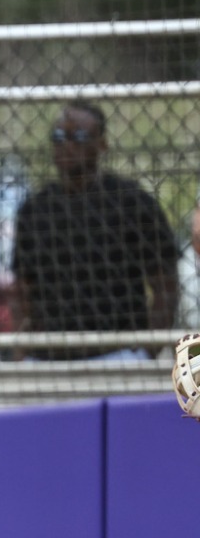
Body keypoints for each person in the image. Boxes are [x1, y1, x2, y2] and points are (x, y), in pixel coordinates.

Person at [12, 102, 180, 356]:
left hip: (119, 351)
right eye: (58, 136)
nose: (65, 145)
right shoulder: (36, 209)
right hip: (51, 354)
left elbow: (165, 283)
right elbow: (22, 288)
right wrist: (25, 346)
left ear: (102, 144)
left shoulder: (131, 202)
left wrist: (149, 347)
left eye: (78, 136)